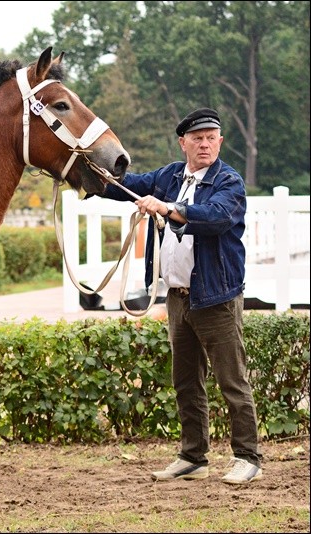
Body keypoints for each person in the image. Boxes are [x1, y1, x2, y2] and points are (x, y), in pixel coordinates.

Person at [97, 107, 262, 484]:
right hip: (177, 297)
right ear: (183, 143)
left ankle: (248, 456)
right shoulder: (170, 174)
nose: (204, 144)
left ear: (219, 142)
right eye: (197, 138)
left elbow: (215, 217)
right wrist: (85, 177)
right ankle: (193, 456)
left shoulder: (229, 182)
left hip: (216, 297)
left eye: (211, 138)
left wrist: (168, 207)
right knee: (186, 381)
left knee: (231, 380)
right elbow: (129, 186)